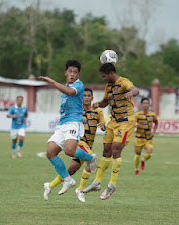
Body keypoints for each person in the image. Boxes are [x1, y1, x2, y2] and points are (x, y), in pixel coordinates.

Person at [39, 60, 97, 196]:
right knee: (50, 152)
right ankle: (68, 180)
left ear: (78, 75)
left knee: (70, 151)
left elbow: (70, 92)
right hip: (62, 125)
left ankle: (90, 158)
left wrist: (53, 82)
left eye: (75, 72)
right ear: (65, 73)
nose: (72, 74)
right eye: (70, 71)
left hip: (74, 123)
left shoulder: (78, 85)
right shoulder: (64, 88)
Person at [83, 63, 139, 200]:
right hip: (113, 122)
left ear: (111, 74)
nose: (103, 79)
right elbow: (105, 102)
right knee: (106, 150)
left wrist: (130, 93)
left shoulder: (123, 82)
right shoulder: (108, 86)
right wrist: (98, 104)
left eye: (104, 76)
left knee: (115, 150)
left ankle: (112, 185)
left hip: (125, 122)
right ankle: (97, 182)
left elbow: (135, 90)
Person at [43, 88, 106, 202]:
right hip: (78, 143)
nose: (86, 98)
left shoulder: (98, 112)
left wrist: (103, 125)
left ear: (92, 98)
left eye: (88, 96)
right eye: (84, 96)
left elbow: (103, 124)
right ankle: (81, 190)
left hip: (88, 145)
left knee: (71, 170)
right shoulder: (77, 111)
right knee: (91, 161)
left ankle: (50, 186)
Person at [133, 98, 159, 175]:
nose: (145, 105)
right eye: (144, 103)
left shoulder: (152, 115)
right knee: (137, 155)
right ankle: (136, 169)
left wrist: (154, 132)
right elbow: (132, 123)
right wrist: (136, 125)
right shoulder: (137, 115)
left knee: (149, 153)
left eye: (147, 103)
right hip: (139, 139)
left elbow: (156, 123)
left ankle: (143, 160)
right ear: (141, 105)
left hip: (148, 138)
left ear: (149, 105)